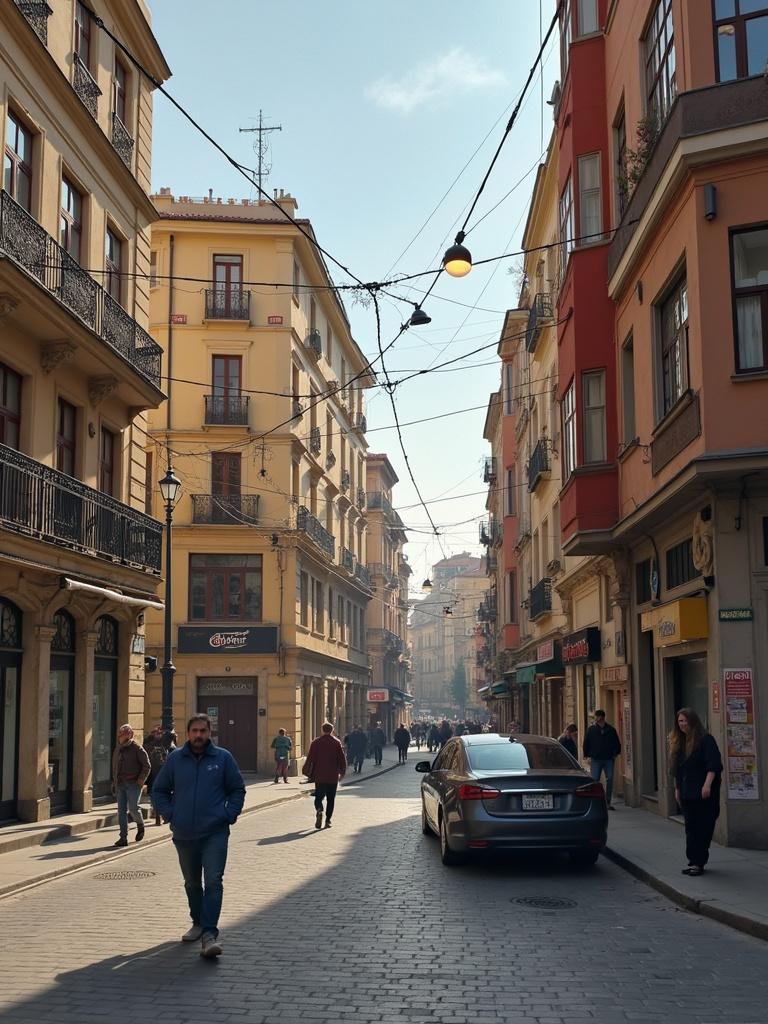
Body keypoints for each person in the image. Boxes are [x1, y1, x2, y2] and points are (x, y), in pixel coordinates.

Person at [152, 713, 246, 959]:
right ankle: (197, 921)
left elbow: (237, 789)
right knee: (192, 883)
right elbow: (159, 790)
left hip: (215, 831)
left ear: (209, 733)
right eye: (194, 731)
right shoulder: (175, 760)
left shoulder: (223, 758)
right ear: (188, 733)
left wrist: (228, 815)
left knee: (213, 880)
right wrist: (172, 814)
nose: (198, 735)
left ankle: (209, 935)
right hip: (183, 833)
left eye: (203, 731)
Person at [669, 707, 723, 876]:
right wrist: (677, 789)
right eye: (679, 721)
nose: (682, 724)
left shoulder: (706, 740)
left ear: (692, 721)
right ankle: (694, 861)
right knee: (691, 828)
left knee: (704, 828)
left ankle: (699, 862)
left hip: (703, 793)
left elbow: (713, 765)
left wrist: (707, 785)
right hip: (687, 793)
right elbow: (678, 770)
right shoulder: (679, 743)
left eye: (684, 721)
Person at [111, 724, 150, 847]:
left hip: (133, 784)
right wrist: (114, 781)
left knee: (133, 808)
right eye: (119, 734)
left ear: (129, 734)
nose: (119, 736)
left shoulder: (137, 748)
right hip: (121, 784)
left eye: (122, 734)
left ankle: (140, 825)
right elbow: (115, 767)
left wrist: (140, 780)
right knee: (121, 811)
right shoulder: (118, 749)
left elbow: (147, 765)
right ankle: (123, 838)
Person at [304, 722, 347, 829]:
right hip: (332, 776)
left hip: (320, 775)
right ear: (332, 730)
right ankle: (328, 821)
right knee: (331, 799)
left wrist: (306, 771)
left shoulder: (316, 742)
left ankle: (319, 809)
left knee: (319, 797)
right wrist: (342, 772)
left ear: (322, 730)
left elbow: (310, 758)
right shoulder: (336, 742)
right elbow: (342, 759)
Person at [583, 709, 622, 809]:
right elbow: (586, 742)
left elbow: (616, 743)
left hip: (608, 759)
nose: (594, 718)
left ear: (600, 717)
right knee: (595, 780)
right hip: (596, 759)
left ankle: (607, 802)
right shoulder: (591, 730)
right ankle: (595, 802)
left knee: (610, 778)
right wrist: (586, 754)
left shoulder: (610, 730)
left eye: (596, 716)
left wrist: (615, 753)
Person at [144, 725, 177, 825]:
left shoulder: (165, 744)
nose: (158, 734)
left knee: (162, 796)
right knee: (153, 797)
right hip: (152, 776)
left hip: (163, 775)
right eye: (156, 733)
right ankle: (158, 815)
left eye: (159, 733)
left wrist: (165, 731)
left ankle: (161, 816)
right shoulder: (149, 744)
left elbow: (171, 735)